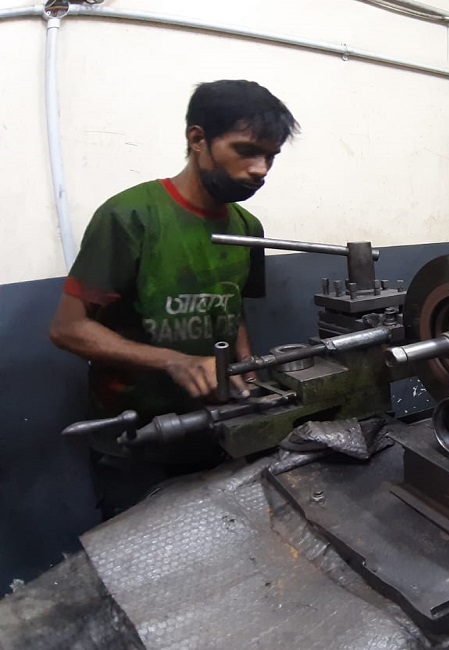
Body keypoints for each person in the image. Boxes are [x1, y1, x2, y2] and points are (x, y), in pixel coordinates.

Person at [49, 80, 299, 514]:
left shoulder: (248, 228)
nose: (261, 169)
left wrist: (249, 370)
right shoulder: (130, 217)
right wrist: (174, 361)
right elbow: (68, 328)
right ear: (197, 139)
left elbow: (231, 307)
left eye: (271, 156)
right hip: (135, 444)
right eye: (245, 151)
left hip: (217, 433)